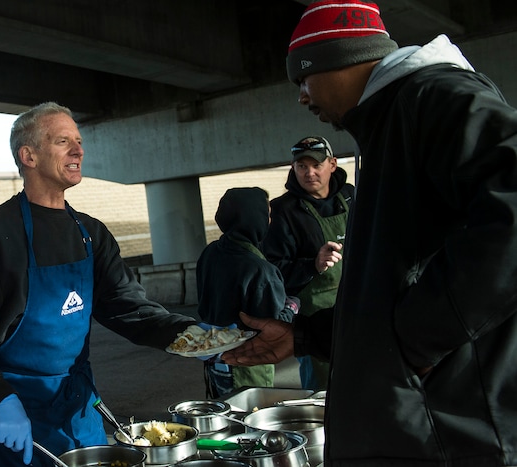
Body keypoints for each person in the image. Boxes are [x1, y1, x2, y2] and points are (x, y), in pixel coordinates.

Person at [222, 1, 517, 465]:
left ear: (341, 61)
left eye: (304, 78)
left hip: (446, 435)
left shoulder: (436, 95)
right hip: (411, 427)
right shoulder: (387, 126)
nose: (302, 96)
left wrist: (417, 340)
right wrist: (305, 338)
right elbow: (390, 287)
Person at [0, 101, 196, 466]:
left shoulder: (90, 233)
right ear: (29, 156)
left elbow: (128, 308)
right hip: (16, 412)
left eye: (79, 141)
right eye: (62, 141)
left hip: (79, 405)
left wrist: (194, 336)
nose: (78, 150)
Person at [262, 135, 354, 391]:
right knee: (323, 391)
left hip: (358, 306)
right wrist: (313, 265)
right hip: (313, 318)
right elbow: (273, 271)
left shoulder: (351, 197)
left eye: (316, 165)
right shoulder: (282, 210)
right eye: (301, 166)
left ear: (332, 164)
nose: (309, 172)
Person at [196, 187, 297, 398]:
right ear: (255, 218)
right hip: (247, 364)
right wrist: (292, 306)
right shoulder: (260, 269)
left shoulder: (210, 252)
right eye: (266, 215)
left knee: (223, 416)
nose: (270, 221)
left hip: (214, 360)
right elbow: (273, 325)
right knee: (249, 422)